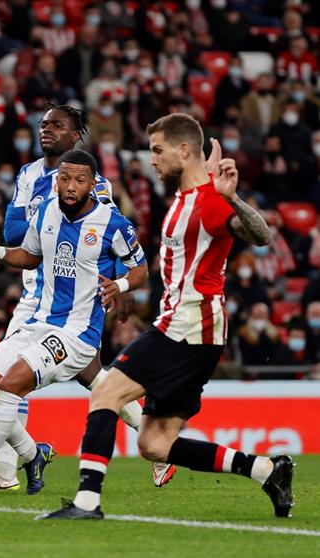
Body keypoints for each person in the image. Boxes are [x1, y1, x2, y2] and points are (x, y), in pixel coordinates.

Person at [41, 114, 293, 520]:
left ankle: (88, 501)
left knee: (106, 393)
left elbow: (262, 236)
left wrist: (231, 198)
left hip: (186, 328)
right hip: (193, 334)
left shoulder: (211, 202)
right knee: (154, 444)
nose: (152, 159)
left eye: (157, 150)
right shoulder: (183, 197)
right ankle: (266, 470)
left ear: (184, 150)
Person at [0, 104, 173, 493]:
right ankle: (153, 437)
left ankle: (9, 470)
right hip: (35, 285)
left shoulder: (93, 183)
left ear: (77, 134)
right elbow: (15, 231)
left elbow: (106, 238)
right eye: (43, 124)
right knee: (91, 376)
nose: (46, 130)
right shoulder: (29, 174)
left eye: (57, 125)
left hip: (75, 291)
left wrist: (119, 286)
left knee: (21, 378)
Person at [0, 149, 147, 496]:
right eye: (65, 178)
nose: (70, 186)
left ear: (93, 184)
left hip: (77, 334)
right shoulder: (48, 211)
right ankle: (32, 454)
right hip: (38, 322)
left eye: (79, 180)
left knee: (10, 385)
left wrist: (121, 285)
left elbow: (140, 269)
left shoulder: (113, 224)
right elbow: (30, 255)